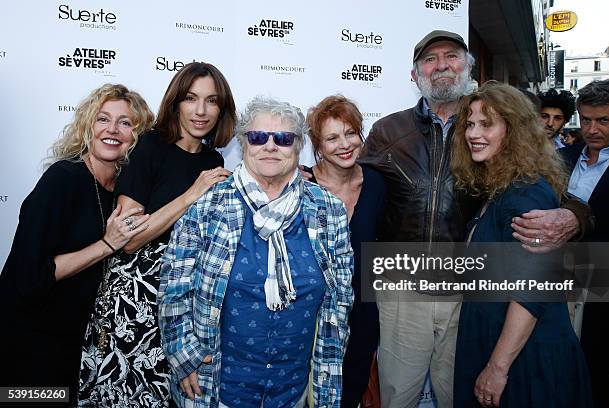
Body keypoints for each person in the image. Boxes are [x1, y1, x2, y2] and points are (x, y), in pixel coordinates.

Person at [358, 30, 589, 408]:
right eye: (430, 60)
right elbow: (359, 187)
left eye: (451, 56)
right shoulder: (388, 130)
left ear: (468, 68)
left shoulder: (490, 122)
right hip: (402, 290)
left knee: (461, 394)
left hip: (465, 296)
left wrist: (571, 217)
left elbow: (556, 197)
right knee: (398, 396)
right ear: (414, 75)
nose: (442, 65)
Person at [159, 96, 354, 408]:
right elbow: (174, 287)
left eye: (284, 138)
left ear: (298, 146)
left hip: (294, 391)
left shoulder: (328, 209)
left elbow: (340, 299)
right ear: (243, 143)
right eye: (258, 137)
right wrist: (185, 356)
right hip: (219, 388)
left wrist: (328, 370)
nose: (270, 146)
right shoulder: (209, 204)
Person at [78, 62, 236, 407]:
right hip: (136, 298)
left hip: (184, 298)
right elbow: (129, 238)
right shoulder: (150, 147)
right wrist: (191, 194)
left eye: (212, 101)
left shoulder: (213, 160)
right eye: (191, 98)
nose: (200, 110)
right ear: (176, 102)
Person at [0, 84, 153, 405]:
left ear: (137, 135)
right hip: (30, 343)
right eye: (103, 119)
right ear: (88, 127)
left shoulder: (122, 193)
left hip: (78, 346)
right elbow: (28, 276)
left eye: (125, 123)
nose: (112, 129)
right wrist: (107, 244)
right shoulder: (63, 179)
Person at [451, 81, 592, 408]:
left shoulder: (524, 192)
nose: (474, 133)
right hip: (507, 345)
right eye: (470, 124)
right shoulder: (502, 185)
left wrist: (498, 368)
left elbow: (533, 287)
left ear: (513, 130)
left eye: (487, 124)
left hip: (525, 359)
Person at [304, 95, 386, 407]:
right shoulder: (302, 185)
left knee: (351, 393)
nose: (344, 144)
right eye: (332, 137)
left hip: (363, 313)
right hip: (313, 315)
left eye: (350, 133)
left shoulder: (377, 185)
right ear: (318, 145)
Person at [560, 79, 609, 406]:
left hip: (604, 277)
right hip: (559, 273)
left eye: (604, 120)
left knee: (598, 363)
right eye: (586, 119)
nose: (593, 129)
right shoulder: (563, 157)